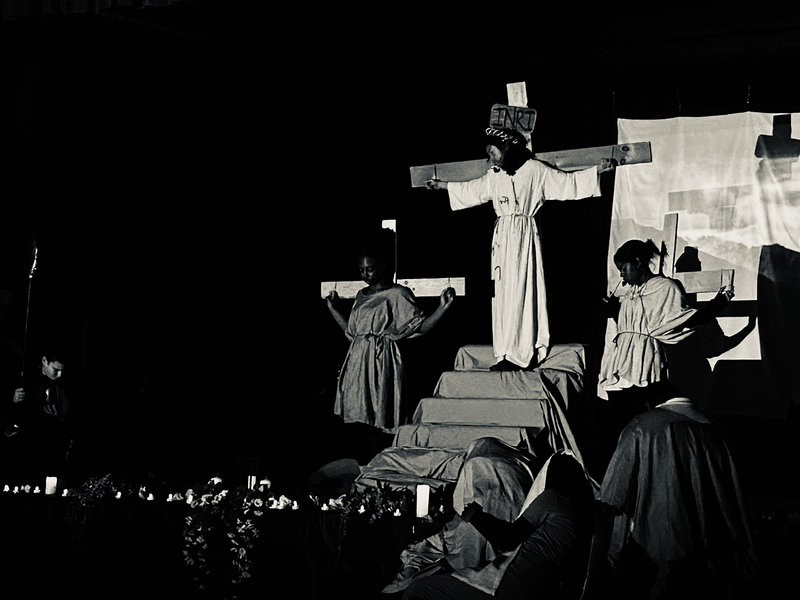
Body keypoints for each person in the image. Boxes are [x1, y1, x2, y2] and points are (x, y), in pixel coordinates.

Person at [426, 127, 615, 371]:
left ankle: (523, 352)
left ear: (507, 149)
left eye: (493, 152)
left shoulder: (535, 170)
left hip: (525, 237)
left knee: (524, 290)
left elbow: (567, 183)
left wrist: (597, 171)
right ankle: (504, 352)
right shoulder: (495, 176)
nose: (490, 159)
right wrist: (442, 186)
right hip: (502, 238)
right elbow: (473, 189)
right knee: (503, 294)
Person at [584, 382, 758, 600]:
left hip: (657, 559)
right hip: (714, 559)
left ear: (649, 403)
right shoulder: (718, 431)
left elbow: (611, 500)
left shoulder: (642, 426)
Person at [597, 239, 734, 459]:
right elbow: (630, 326)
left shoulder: (665, 288)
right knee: (620, 433)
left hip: (644, 367)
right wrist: (614, 310)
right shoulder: (629, 294)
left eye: (624, 269)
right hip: (619, 369)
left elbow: (683, 322)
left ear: (638, 262)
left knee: (644, 430)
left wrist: (718, 303)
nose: (621, 275)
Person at [401, 450, 595, 600]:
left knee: (419, 588)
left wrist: (475, 516)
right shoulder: (586, 514)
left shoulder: (553, 499)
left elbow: (508, 539)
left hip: (511, 582)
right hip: (544, 587)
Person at [326, 239, 455, 435]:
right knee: (358, 417)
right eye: (361, 270)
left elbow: (419, 327)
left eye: (369, 269)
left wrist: (443, 308)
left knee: (381, 414)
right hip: (357, 362)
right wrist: (334, 310)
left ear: (382, 266)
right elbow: (352, 333)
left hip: (382, 360)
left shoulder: (397, 294)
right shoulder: (361, 295)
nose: (365, 274)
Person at [2, 351, 71, 484]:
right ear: (44, 361)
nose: (59, 375)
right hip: (23, 447)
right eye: (55, 369)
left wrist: (60, 416)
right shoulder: (23, 377)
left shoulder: (64, 385)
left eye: (62, 371)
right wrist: (13, 400)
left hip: (49, 448)